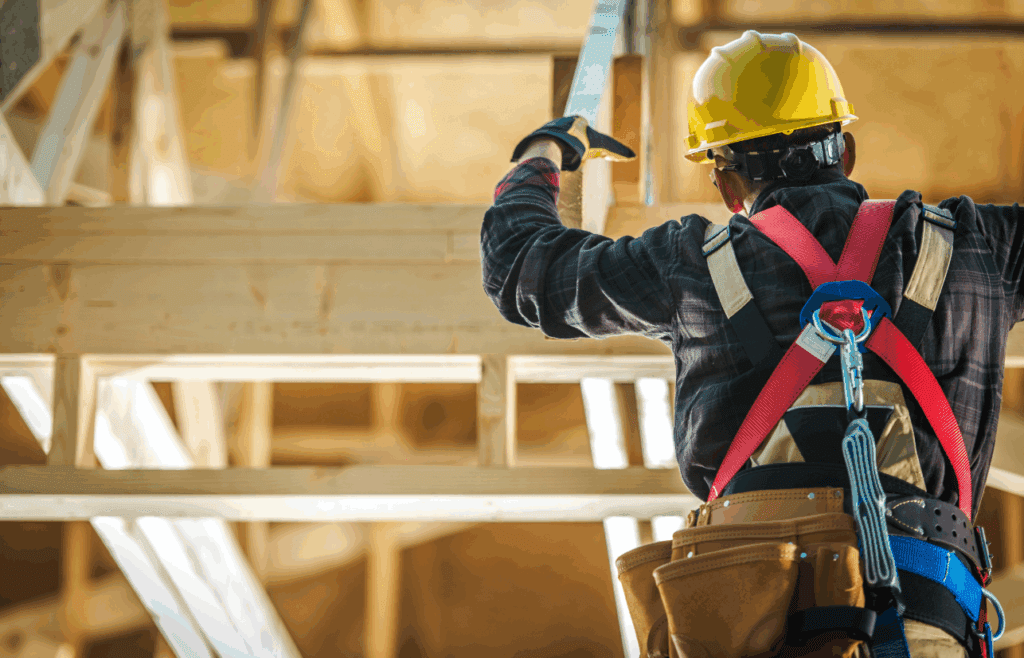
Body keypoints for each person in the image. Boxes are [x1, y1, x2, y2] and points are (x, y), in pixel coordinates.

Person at [480, 30, 1019, 658]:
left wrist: (544, 152)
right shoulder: (976, 246)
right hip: (924, 620)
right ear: (845, 152)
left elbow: (522, 266)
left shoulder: (689, 266)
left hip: (746, 622)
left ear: (726, 185)